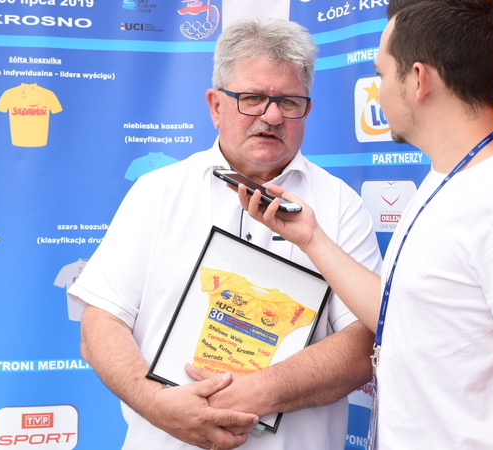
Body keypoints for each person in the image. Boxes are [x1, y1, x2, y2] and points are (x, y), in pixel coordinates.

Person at [238, 1, 493, 449]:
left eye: (382, 74)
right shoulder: (446, 177)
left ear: (418, 80)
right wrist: (312, 238)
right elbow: (399, 314)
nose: (377, 92)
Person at [68, 18, 383, 450]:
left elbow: (364, 342)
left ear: (307, 109)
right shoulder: (157, 192)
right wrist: (158, 404)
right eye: (253, 98)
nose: (272, 116)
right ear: (215, 106)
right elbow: (100, 323)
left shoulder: (341, 204)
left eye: (289, 101)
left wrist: (256, 392)